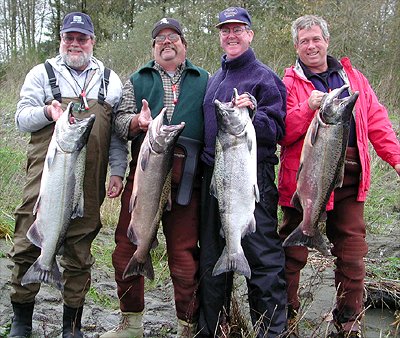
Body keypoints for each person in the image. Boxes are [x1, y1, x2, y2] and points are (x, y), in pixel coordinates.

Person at [278, 14, 400, 338]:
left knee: (352, 254)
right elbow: (282, 131)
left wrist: (397, 160)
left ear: (327, 41)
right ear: (296, 46)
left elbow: (377, 122)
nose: (311, 45)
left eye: (316, 38)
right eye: (304, 41)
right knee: (292, 254)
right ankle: (284, 321)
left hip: (348, 180)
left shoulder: (354, 78)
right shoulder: (289, 83)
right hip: (304, 183)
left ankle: (347, 324)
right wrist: (307, 107)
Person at [8, 11, 126, 338]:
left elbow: (116, 134)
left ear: (92, 41)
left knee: (80, 251)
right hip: (44, 181)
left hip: (89, 185)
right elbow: (21, 119)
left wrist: (118, 169)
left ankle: (71, 325)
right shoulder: (41, 73)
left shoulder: (110, 80)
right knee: (26, 243)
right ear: (61, 39)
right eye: (68, 37)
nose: (75, 43)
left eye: (81, 38)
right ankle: (21, 318)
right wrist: (47, 112)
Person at [99, 18, 208, 338]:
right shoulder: (137, 79)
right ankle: (131, 324)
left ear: (184, 44)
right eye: (159, 39)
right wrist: (136, 122)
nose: (166, 42)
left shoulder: (205, 79)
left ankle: (187, 327)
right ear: (153, 47)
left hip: (189, 178)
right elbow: (119, 123)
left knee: (185, 255)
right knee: (125, 248)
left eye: (173, 37)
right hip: (145, 173)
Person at [198, 7, 287, 338]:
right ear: (220, 36)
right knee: (211, 259)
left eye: (238, 29)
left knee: (262, 260)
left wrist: (253, 115)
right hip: (214, 179)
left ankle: (269, 331)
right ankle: (213, 329)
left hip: (252, 178)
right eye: (225, 30)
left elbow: (277, 128)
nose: (231, 35)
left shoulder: (264, 78)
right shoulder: (214, 79)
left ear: (250, 34)